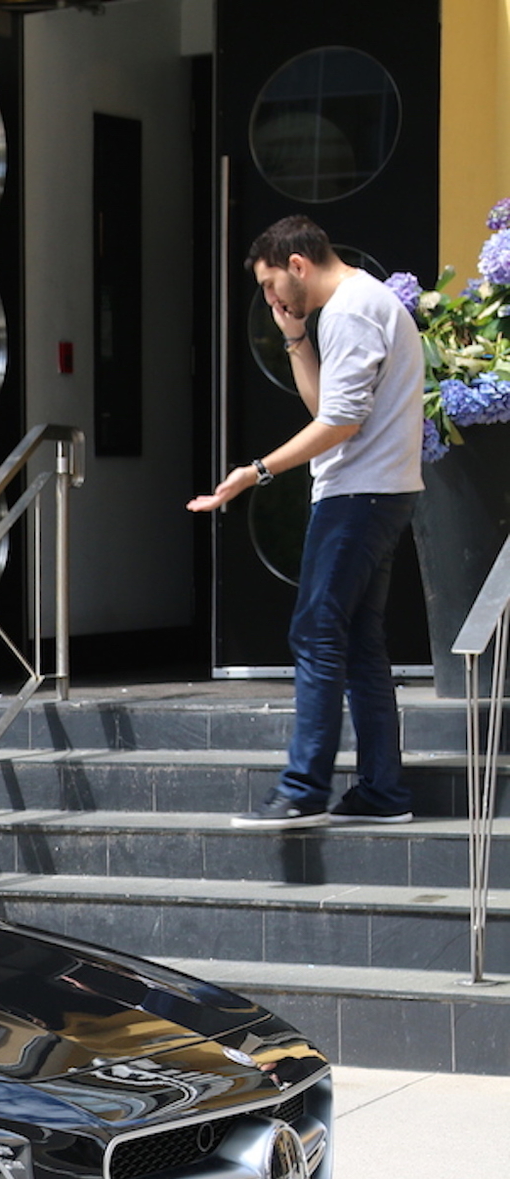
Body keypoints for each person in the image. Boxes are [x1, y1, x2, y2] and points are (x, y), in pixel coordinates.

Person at [190, 215, 423, 828]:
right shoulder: (358, 304)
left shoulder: (349, 309)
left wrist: (255, 472)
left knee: (316, 633)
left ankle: (302, 788)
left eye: (271, 286)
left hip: (357, 496)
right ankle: (381, 791)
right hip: (376, 492)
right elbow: (328, 405)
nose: (269, 299)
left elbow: (339, 425)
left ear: (298, 264)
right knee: (357, 643)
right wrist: (296, 339)